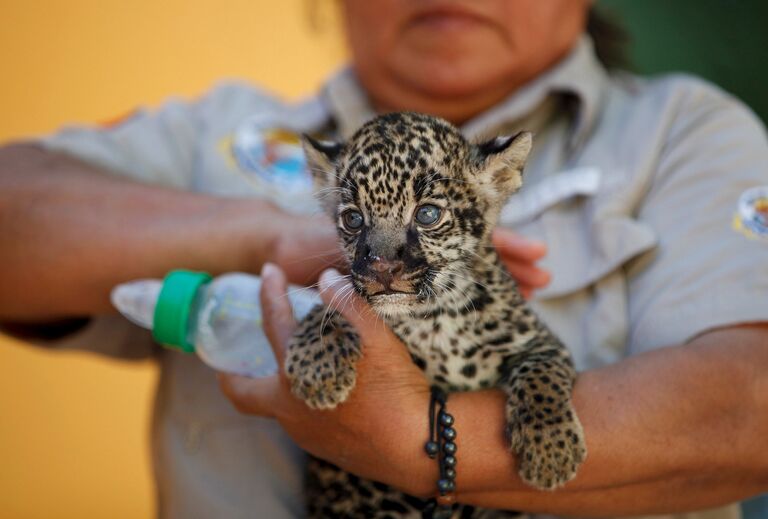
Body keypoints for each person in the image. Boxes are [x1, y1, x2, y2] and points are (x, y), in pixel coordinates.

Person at [1, 1, 767, 518]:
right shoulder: (219, 130)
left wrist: (424, 439)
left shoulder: (682, 132)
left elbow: (753, 402)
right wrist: (267, 239)